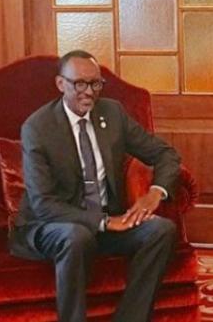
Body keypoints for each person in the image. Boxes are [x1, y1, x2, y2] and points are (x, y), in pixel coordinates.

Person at [9, 50, 180, 322]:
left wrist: (155, 193)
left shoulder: (112, 113)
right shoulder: (38, 128)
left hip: (107, 222)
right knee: (77, 236)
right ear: (61, 84)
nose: (89, 92)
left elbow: (165, 154)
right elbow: (43, 204)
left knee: (161, 230)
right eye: (80, 84)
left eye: (95, 83)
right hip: (51, 225)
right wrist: (105, 222)